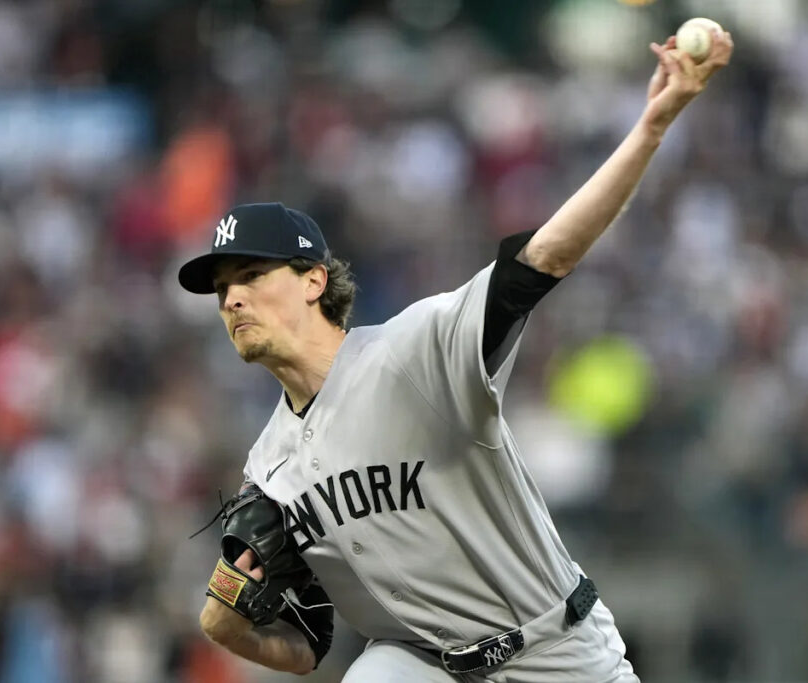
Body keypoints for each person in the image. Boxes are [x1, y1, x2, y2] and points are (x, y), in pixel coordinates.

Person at [180, 32, 733, 682]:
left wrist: (650, 128)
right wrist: (227, 626)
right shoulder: (270, 469)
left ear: (313, 280)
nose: (232, 298)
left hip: (555, 653)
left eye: (250, 274)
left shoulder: (416, 350)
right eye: (222, 288)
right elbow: (308, 645)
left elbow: (547, 256)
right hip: (429, 666)